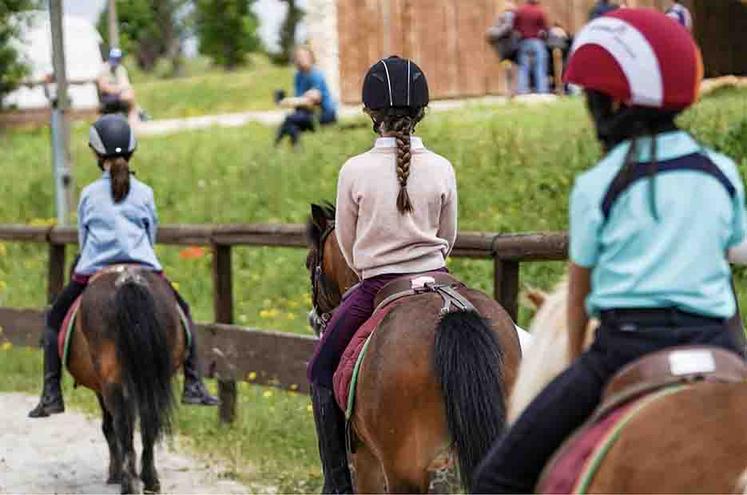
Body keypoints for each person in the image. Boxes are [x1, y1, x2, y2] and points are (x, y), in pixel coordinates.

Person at [472, 9, 745, 493]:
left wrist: (578, 360)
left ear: (615, 102)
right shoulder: (720, 171)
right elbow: (737, 253)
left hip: (626, 346)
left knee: (497, 478)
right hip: (719, 343)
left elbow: (579, 296)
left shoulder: (599, 184)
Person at [306, 56, 457, 493]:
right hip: (440, 278)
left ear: (371, 114)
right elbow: (448, 237)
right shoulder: (442, 167)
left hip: (377, 285)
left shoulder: (354, 170)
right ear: (422, 111)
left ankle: (337, 485)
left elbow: (348, 247)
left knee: (320, 371)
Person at [29, 115, 218, 418]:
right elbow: (150, 234)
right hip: (143, 266)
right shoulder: (145, 192)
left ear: (96, 153)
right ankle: (193, 382)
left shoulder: (89, 194)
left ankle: (51, 392)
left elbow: (84, 237)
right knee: (183, 314)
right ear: (132, 151)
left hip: (95, 268)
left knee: (54, 320)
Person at [275, 46, 338, 147]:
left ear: (311, 57)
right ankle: (294, 148)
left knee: (290, 119)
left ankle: (279, 145)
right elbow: (300, 100)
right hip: (310, 113)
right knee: (291, 122)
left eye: (304, 56)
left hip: (325, 114)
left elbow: (313, 99)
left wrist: (288, 101)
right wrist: (292, 102)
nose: (301, 59)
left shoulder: (316, 74)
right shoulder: (298, 76)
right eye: (298, 57)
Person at [97, 48, 144, 127]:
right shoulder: (104, 69)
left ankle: (134, 118)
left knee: (129, 94)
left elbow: (125, 85)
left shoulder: (121, 69)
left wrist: (121, 89)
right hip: (107, 96)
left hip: (120, 94)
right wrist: (118, 89)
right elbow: (103, 88)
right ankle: (138, 114)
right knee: (128, 96)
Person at [514, 0, 549, 94]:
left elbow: (515, 27)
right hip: (537, 41)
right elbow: (544, 28)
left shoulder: (520, 11)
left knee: (523, 67)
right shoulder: (539, 11)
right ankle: (542, 90)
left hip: (524, 41)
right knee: (540, 66)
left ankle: (522, 90)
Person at [486, 1, 519, 94]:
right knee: (508, 67)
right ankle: (511, 90)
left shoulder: (509, 15)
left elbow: (507, 28)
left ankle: (511, 90)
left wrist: (493, 33)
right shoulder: (509, 15)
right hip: (507, 47)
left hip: (509, 47)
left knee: (510, 68)